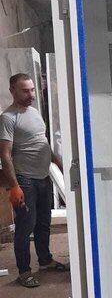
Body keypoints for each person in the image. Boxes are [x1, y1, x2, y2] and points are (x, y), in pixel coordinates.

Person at [0, 72, 68, 287]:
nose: (31, 95)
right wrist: (14, 186)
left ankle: (45, 260)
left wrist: (58, 163)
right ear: (13, 91)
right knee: (25, 226)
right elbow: (5, 155)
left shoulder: (35, 112)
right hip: (25, 180)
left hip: (43, 177)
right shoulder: (8, 118)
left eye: (32, 90)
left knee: (43, 223)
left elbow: (41, 142)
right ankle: (24, 271)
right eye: (25, 91)